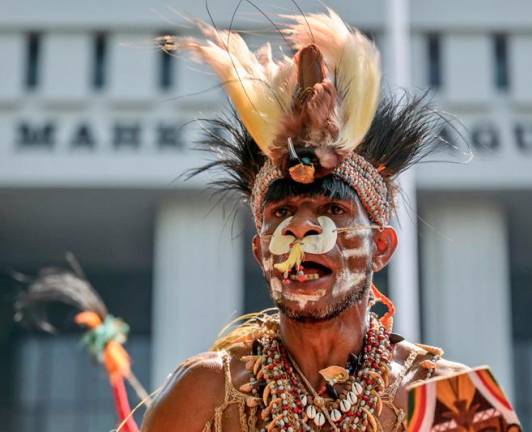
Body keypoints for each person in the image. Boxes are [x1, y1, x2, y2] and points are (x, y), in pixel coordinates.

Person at [143, 8, 468, 431]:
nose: (300, 229)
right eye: (281, 213)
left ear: (381, 248)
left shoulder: (449, 395)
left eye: (334, 209)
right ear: (261, 252)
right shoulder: (202, 392)